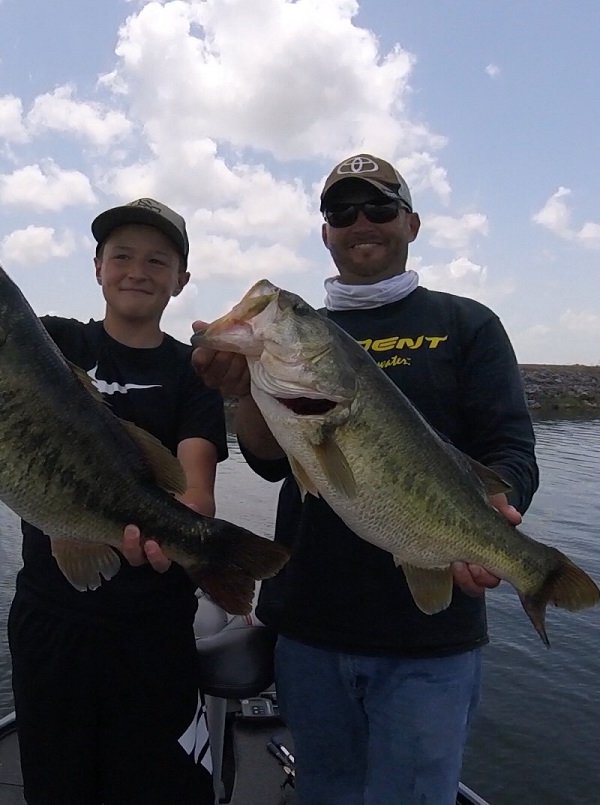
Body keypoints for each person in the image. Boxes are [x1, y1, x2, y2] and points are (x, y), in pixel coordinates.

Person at [191, 154, 539, 803]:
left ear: (411, 222)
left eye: (379, 207)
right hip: (310, 635)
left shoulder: (468, 326)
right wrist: (244, 391)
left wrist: (499, 508)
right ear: (325, 231)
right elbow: (271, 460)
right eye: (341, 211)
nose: (361, 223)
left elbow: (513, 448)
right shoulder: (297, 345)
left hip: (428, 643)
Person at [0, 198, 224, 805]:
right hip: (51, 619)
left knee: (162, 790)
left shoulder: (189, 372)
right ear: (96, 266)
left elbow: (194, 490)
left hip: (154, 630)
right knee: (57, 785)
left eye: (157, 260)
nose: (137, 270)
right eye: (121, 256)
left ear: (180, 280)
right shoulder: (49, 341)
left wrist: (184, 536)